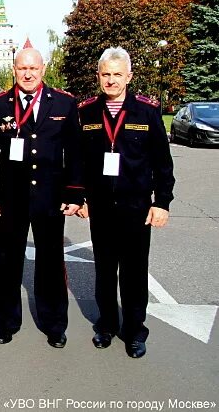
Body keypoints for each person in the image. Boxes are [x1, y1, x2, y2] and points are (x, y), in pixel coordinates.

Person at [0, 47, 83, 348]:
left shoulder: (64, 102)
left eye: (33, 68)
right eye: (22, 68)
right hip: (11, 199)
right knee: (8, 262)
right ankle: (6, 323)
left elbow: (75, 154)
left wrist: (75, 192)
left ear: (43, 68)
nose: (28, 74)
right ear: (14, 69)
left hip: (51, 199)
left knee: (50, 263)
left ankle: (54, 324)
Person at [77, 47, 175, 358]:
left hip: (136, 207)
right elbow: (79, 161)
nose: (111, 80)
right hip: (101, 206)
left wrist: (162, 202)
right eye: (106, 74)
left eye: (117, 74)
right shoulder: (87, 112)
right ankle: (106, 326)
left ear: (129, 77)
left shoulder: (147, 111)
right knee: (105, 269)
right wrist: (81, 198)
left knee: (134, 271)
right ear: (98, 76)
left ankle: (134, 331)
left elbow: (162, 162)